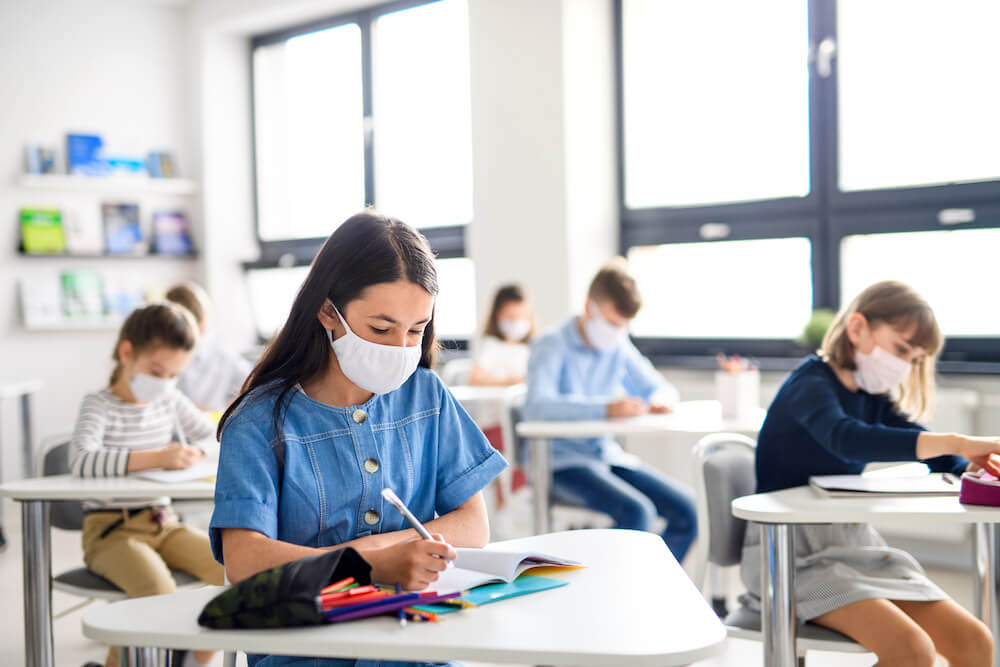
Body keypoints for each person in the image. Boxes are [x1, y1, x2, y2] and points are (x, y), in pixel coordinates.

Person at [209, 210, 508, 667]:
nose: (402, 348)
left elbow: (472, 524)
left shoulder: (426, 396)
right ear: (329, 311)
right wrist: (369, 563)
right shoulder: (260, 420)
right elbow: (244, 560)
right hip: (306, 647)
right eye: (381, 329)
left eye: (416, 329)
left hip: (414, 639)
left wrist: (393, 554)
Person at [741, 280, 997, 666]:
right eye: (901, 348)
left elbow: (928, 448)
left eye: (914, 358)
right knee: (912, 650)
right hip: (791, 554)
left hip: (853, 545)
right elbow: (847, 439)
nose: (905, 364)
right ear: (858, 328)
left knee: (975, 643)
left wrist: (975, 472)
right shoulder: (809, 385)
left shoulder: (871, 398)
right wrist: (959, 441)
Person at [70, 303, 224, 667]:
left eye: (174, 374)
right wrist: (157, 457)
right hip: (111, 532)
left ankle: (189, 660)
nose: (165, 382)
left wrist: (191, 452)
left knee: (230, 569)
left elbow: (216, 436)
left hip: (163, 523)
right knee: (158, 593)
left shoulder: (169, 400)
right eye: (157, 371)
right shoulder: (99, 405)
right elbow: (81, 460)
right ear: (127, 354)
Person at [522, 258, 697, 562]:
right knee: (638, 512)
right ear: (590, 307)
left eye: (624, 326)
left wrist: (659, 399)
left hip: (605, 456)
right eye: (613, 324)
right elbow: (537, 406)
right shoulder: (551, 345)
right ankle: (616, 597)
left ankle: (650, 588)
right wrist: (605, 408)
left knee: (687, 511)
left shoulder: (617, 344)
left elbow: (659, 386)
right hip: (561, 464)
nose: (618, 332)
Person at [165, 281, 252, 411]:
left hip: (210, 422)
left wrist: (225, 411)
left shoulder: (223, 356)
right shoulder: (166, 354)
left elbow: (254, 383)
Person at [468, 284, 536, 386]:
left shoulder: (532, 347)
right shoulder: (491, 345)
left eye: (521, 316)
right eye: (510, 316)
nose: (516, 322)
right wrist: (512, 383)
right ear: (497, 316)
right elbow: (475, 380)